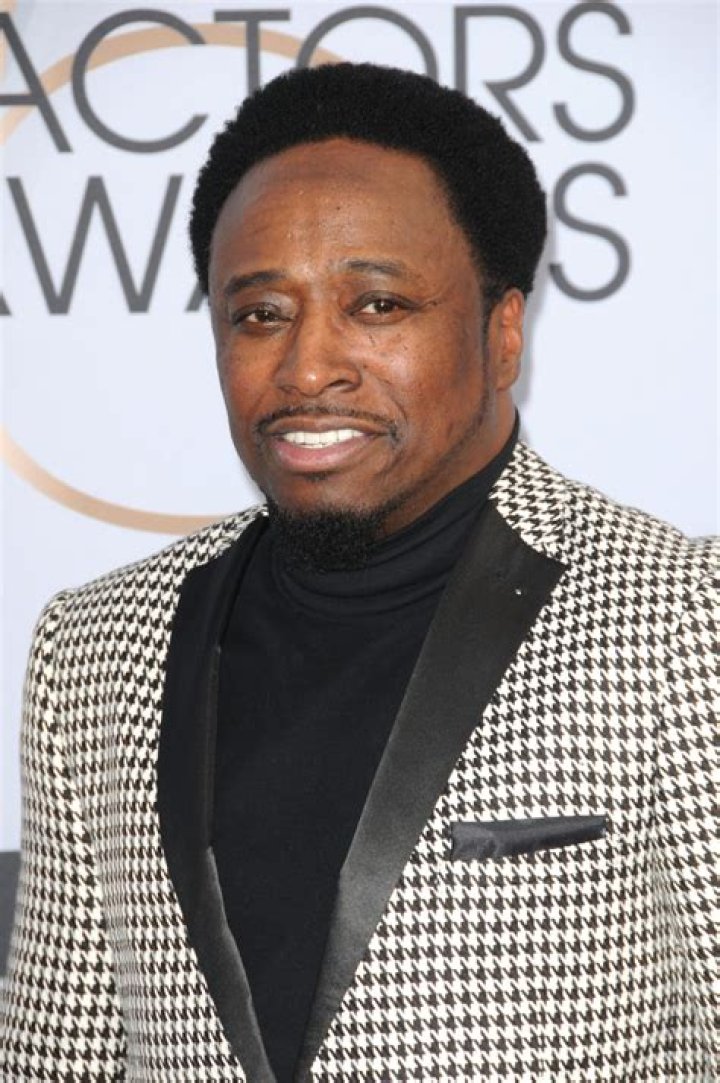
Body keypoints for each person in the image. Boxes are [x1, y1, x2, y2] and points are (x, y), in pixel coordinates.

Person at [0, 62, 715, 1082]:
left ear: (503, 333)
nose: (306, 368)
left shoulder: (682, 620)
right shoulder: (93, 649)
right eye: (260, 314)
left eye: (377, 305)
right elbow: (56, 1056)